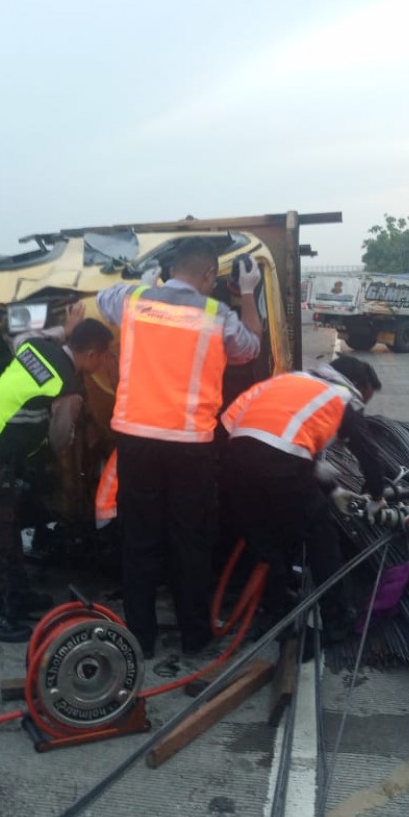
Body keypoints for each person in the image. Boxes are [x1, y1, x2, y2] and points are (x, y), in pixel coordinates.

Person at [96, 239, 262, 657]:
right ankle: (194, 637)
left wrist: (144, 282)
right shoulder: (216, 314)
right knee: (191, 543)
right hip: (190, 446)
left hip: (136, 440)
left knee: (140, 542)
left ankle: (141, 639)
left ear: (170, 271)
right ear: (208, 275)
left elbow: (102, 298)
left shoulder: (134, 301)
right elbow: (251, 349)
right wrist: (247, 294)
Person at [0, 316, 114, 642]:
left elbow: (20, 336)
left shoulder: (35, 346)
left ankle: (17, 594)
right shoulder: (67, 387)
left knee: (8, 522)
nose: (105, 365)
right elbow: (60, 440)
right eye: (105, 358)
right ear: (91, 354)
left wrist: (63, 330)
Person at [219, 355, 385, 633]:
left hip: (235, 460)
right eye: (366, 397)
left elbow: (236, 424)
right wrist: (377, 497)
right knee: (321, 537)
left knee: (266, 541)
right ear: (357, 384)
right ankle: (336, 618)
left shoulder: (286, 381)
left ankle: (278, 612)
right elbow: (368, 452)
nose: (363, 406)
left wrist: (332, 488)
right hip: (281, 465)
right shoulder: (342, 395)